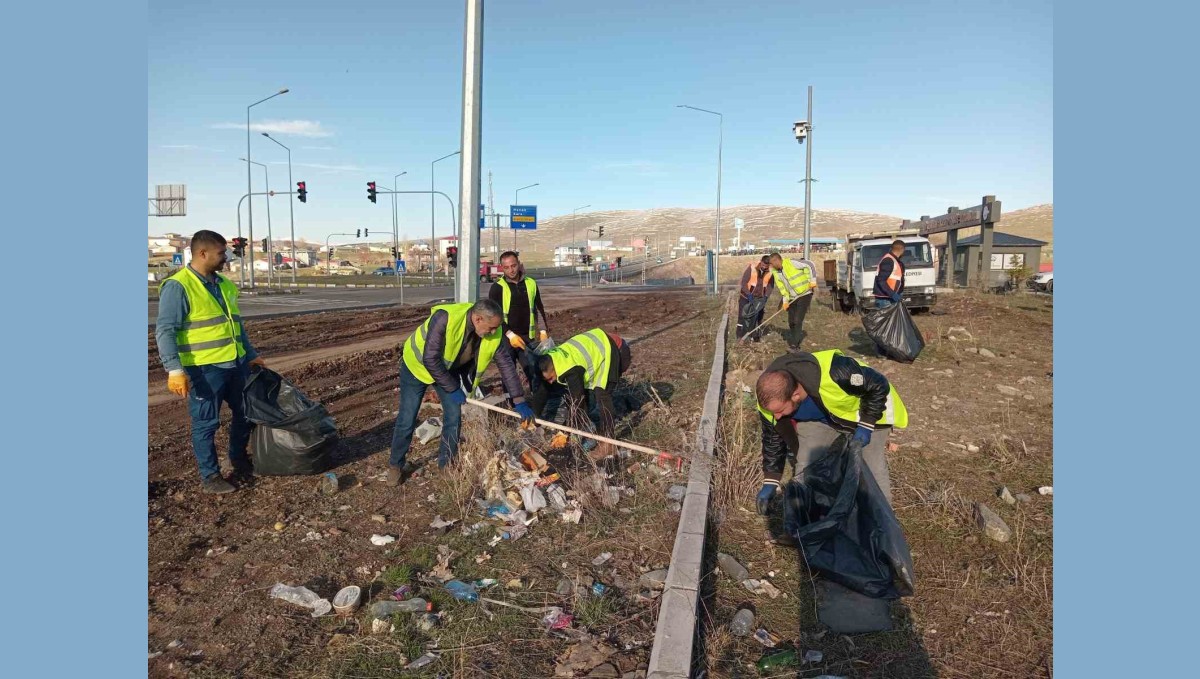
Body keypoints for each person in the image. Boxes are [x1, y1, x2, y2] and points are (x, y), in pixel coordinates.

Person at [154, 230, 265, 494]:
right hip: (204, 369)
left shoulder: (224, 285)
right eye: (221, 253)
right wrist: (174, 370)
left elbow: (235, 325)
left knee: (246, 413)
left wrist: (250, 355)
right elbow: (165, 330)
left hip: (235, 365)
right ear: (202, 253)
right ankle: (210, 476)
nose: (226, 257)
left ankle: (238, 460)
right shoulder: (178, 286)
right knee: (206, 424)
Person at [387, 299, 533, 485]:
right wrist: (453, 388)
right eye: (491, 328)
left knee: (453, 417)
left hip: (447, 371)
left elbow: (505, 363)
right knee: (407, 418)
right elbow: (430, 358)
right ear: (478, 319)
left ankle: (446, 465)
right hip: (417, 367)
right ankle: (395, 466)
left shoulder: (492, 332)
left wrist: (519, 399)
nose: (494, 332)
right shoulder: (445, 318)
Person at [753, 349, 908, 516]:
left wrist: (867, 424)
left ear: (796, 395)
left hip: (869, 411)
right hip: (821, 417)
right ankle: (805, 525)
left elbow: (878, 384)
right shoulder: (769, 398)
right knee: (806, 464)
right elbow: (772, 439)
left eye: (781, 410)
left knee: (872, 466)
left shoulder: (838, 373)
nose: (776, 416)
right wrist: (771, 480)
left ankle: (883, 525)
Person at [529, 328, 633, 460]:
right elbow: (542, 391)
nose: (550, 382)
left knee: (602, 395)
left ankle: (608, 444)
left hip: (609, 349)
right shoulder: (549, 360)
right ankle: (590, 429)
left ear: (553, 369)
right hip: (594, 344)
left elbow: (577, 401)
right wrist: (534, 416)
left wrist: (569, 431)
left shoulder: (571, 371)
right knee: (588, 394)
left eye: (550, 378)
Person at [487, 250, 550, 383]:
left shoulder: (531, 283)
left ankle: (536, 401)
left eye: (513, 265)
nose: (511, 270)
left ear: (519, 264)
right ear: (502, 268)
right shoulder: (497, 287)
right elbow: (493, 316)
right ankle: (512, 403)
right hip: (506, 339)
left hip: (528, 337)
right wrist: (510, 334)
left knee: (533, 372)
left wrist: (543, 331)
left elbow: (538, 307)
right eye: (506, 267)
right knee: (509, 375)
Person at [768, 252, 818, 350]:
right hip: (792, 297)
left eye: (771, 263)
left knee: (797, 320)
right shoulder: (776, 272)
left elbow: (810, 264)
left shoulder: (791, 263)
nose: (771, 266)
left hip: (805, 294)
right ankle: (795, 339)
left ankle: (795, 346)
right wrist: (785, 301)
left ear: (776, 260)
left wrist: (813, 280)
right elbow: (783, 288)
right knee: (791, 322)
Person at [737, 256, 775, 341]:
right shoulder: (752, 268)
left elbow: (770, 286)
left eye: (766, 266)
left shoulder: (771, 272)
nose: (764, 267)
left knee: (757, 317)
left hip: (759, 298)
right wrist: (748, 294)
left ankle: (755, 336)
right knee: (743, 316)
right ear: (761, 262)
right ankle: (740, 336)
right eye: (763, 264)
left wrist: (766, 296)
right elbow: (744, 283)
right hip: (746, 296)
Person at [873, 239, 907, 309]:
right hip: (885, 299)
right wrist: (892, 294)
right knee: (887, 320)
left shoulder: (894, 261)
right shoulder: (889, 261)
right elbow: (881, 280)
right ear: (902, 250)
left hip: (889, 298)